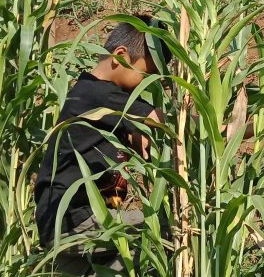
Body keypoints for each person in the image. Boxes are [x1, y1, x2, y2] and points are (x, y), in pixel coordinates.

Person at [35, 15, 171, 276]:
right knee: (169, 232)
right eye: (148, 74)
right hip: (76, 219)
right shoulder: (101, 94)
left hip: (58, 223)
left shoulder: (89, 93)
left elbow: (139, 135)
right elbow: (170, 122)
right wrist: (236, 126)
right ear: (120, 56)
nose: (149, 83)